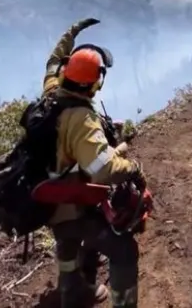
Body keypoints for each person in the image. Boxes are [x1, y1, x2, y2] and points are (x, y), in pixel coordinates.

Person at [43, 18, 147, 308]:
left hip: (48, 203)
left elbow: (52, 61)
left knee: (67, 243)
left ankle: (73, 293)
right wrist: (134, 167)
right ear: (94, 82)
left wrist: (72, 32)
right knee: (124, 250)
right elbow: (103, 169)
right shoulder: (82, 120)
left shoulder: (50, 94)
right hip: (73, 205)